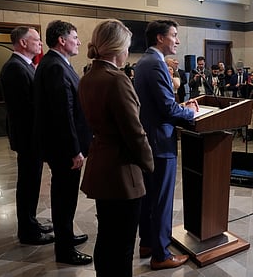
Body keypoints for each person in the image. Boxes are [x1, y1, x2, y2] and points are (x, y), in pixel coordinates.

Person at [78, 19, 154, 277]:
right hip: (121, 171)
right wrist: (149, 163)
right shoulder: (117, 80)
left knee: (107, 236)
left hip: (100, 164)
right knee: (122, 244)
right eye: (127, 47)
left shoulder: (88, 77)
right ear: (117, 48)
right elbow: (134, 132)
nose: (127, 53)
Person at [134, 19, 198, 270]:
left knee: (150, 198)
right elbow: (166, 108)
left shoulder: (145, 62)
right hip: (160, 142)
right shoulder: (155, 64)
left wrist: (179, 108)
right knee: (161, 199)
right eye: (174, 35)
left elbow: (158, 104)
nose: (178, 41)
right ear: (160, 38)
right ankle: (160, 255)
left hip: (151, 138)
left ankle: (148, 242)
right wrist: (190, 113)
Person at [33, 20, 92, 265]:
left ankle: (66, 236)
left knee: (65, 196)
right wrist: (74, 149)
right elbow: (63, 112)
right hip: (63, 148)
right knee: (64, 197)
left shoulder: (55, 63)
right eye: (75, 37)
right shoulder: (55, 66)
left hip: (60, 145)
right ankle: (65, 250)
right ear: (61, 40)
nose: (78, 42)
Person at [0, 26, 54, 245]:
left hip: (31, 137)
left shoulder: (25, 66)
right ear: (23, 42)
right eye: (36, 40)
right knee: (27, 184)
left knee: (31, 183)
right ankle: (28, 231)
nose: (40, 43)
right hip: (27, 137)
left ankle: (31, 222)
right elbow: (25, 108)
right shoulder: (15, 67)